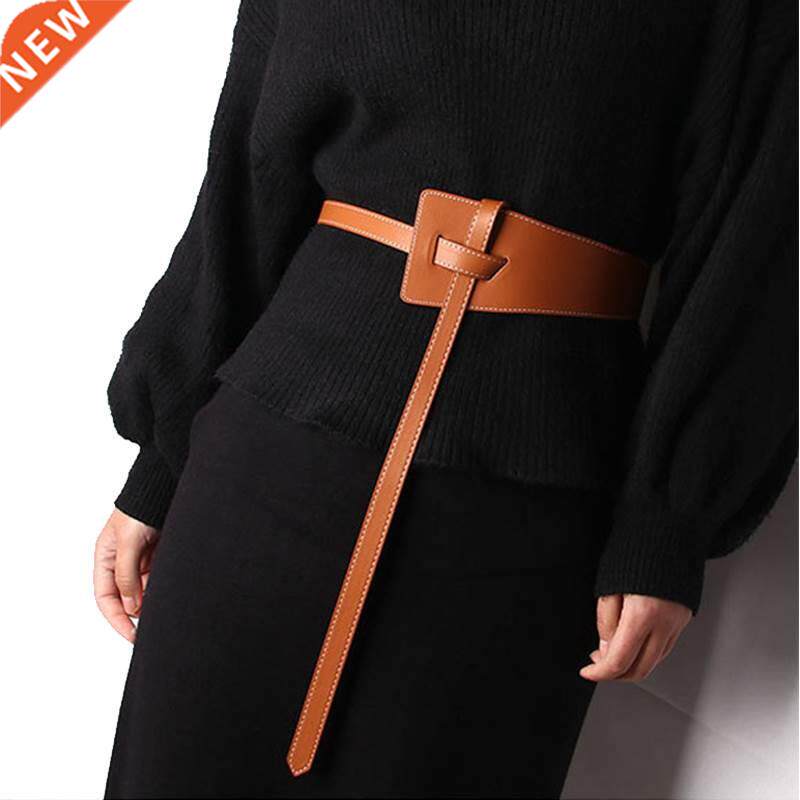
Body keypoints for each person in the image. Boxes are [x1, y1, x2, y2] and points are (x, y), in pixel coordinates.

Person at [96, 1, 796, 797]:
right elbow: (249, 172)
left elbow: (753, 243)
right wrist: (161, 462)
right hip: (261, 465)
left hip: (521, 508)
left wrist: (667, 521)